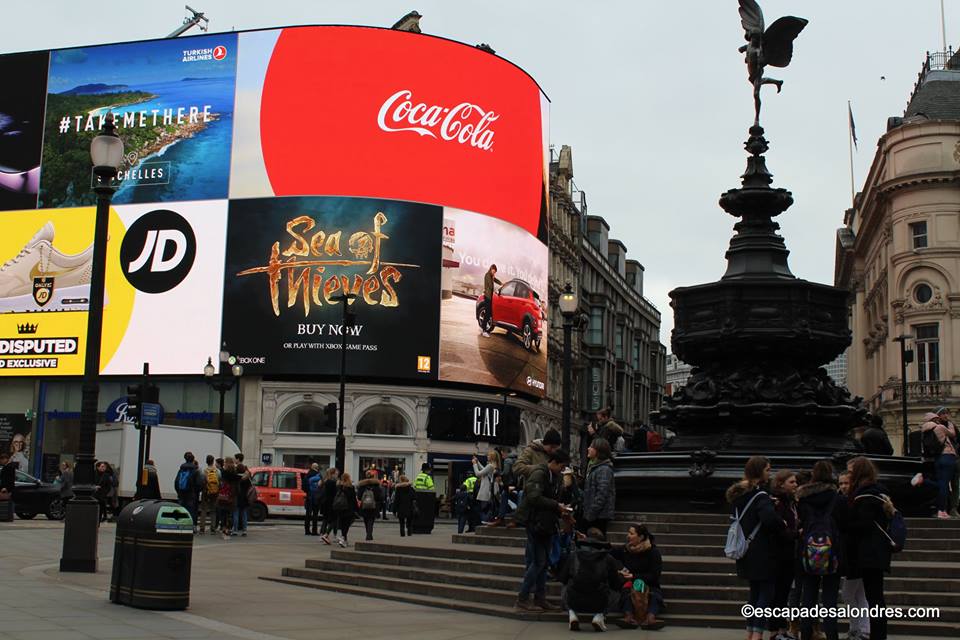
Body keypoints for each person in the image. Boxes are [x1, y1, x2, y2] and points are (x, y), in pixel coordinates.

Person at [726, 455, 785, 640]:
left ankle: (750, 631)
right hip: (763, 552)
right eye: (768, 470)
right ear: (760, 472)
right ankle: (758, 633)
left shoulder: (740, 495)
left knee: (754, 593)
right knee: (765, 594)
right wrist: (780, 521)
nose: (770, 473)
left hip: (746, 551)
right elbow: (768, 520)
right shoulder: (761, 496)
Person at [515, 448, 570, 612]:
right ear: (553, 462)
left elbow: (553, 498)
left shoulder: (556, 477)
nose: (563, 470)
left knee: (543, 563)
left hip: (546, 524)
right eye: (562, 466)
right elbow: (534, 497)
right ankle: (523, 598)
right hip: (535, 523)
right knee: (538, 562)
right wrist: (556, 506)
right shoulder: (539, 473)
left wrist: (561, 508)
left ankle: (540, 598)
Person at [796, 460, 847, 640]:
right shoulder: (838, 498)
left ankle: (806, 634)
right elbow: (843, 524)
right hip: (832, 551)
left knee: (808, 598)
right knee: (830, 600)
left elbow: (799, 523)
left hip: (808, 551)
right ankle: (832, 635)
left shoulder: (802, 498)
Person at [846, 456, 894, 640]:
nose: (849, 476)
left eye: (851, 472)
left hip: (869, 552)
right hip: (879, 550)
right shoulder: (880, 491)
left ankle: (878, 635)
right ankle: (878, 633)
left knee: (874, 597)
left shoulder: (864, 495)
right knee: (876, 597)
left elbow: (863, 524)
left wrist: (845, 524)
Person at [558, 527, 625, 632]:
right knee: (616, 592)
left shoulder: (574, 555)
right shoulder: (608, 558)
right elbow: (615, 584)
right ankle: (599, 616)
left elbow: (562, 578)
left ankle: (572, 613)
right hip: (599, 600)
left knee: (565, 585)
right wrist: (620, 576)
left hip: (574, 599)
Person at [610, 523, 666, 630]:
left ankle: (650, 618)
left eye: (631, 533)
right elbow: (610, 551)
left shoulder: (653, 552)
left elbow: (654, 575)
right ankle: (629, 617)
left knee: (654, 595)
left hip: (649, 584)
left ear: (640, 537)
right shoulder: (626, 549)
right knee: (625, 592)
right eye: (628, 533)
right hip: (631, 584)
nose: (628, 536)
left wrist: (634, 576)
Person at [838, 470, 870, 640]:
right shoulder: (850, 500)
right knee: (859, 594)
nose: (843, 486)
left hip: (854, 554)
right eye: (841, 483)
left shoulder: (852, 502)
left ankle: (857, 628)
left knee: (848, 594)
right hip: (855, 553)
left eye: (846, 483)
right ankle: (862, 628)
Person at [768, 469, 799, 640]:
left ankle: (781, 629)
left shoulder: (791, 503)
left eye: (795, 482)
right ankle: (775, 631)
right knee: (778, 594)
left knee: (784, 593)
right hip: (779, 555)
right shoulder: (778, 503)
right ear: (781, 484)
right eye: (792, 482)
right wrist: (796, 533)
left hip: (788, 554)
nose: (796, 485)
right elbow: (781, 530)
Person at [921, 410, 958, 519]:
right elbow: (952, 433)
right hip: (947, 456)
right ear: (934, 419)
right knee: (944, 485)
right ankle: (942, 511)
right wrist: (950, 424)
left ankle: (941, 510)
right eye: (937, 418)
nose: (939, 420)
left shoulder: (925, 430)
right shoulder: (940, 427)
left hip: (938, 458)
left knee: (941, 483)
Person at [581, 438, 615, 535]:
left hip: (598, 517)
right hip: (594, 515)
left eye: (591, 447)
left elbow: (602, 494)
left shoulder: (604, 469)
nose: (588, 448)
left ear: (598, 451)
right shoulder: (596, 468)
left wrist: (590, 514)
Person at [473, 450, 500, 524]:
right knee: (489, 506)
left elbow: (478, 474)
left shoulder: (490, 466)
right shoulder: (493, 465)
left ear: (492, 457)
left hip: (487, 489)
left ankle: (487, 520)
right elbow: (484, 470)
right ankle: (488, 519)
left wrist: (474, 464)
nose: (487, 456)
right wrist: (478, 462)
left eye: (488, 455)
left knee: (484, 507)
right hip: (490, 489)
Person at [218, 457, 241, 540]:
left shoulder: (223, 473)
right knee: (230, 514)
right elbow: (238, 488)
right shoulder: (236, 474)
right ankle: (228, 530)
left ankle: (224, 530)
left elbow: (220, 484)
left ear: (226, 463)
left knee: (223, 514)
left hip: (223, 496)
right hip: (232, 497)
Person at [333, 472, 358, 548]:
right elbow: (353, 499)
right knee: (347, 524)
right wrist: (356, 508)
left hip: (340, 507)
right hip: (348, 508)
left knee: (343, 523)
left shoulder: (339, 486)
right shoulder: (350, 487)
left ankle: (344, 538)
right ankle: (343, 537)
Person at [198, 455, 221, 535]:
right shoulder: (217, 471)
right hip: (215, 492)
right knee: (213, 510)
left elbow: (201, 481)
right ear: (213, 461)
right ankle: (213, 528)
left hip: (206, 492)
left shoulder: (204, 471)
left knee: (204, 510)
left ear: (206, 461)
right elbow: (220, 481)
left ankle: (202, 529)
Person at [358, 470, 383, 541]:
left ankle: (368, 533)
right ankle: (369, 534)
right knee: (371, 520)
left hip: (364, 506)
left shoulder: (362, 485)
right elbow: (379, 497)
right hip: (374, 506)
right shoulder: (376, 485)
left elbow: (359, 496)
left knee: (366, 519)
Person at [174, 452, 199, 524]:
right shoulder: (195, 470)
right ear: (193, 460)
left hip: (181, 493)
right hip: (191, 493)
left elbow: (176, 482)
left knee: (181, 509)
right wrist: (196, 491)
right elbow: (199, 483)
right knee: (191, 510)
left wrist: (178, 491)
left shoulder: (181, 469)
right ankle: (191, 525)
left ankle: (180, 523)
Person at [319, 467, 340, 544]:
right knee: (334, 519)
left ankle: (323, 535)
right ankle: (327, 535)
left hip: (325, 503)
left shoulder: (325, 481)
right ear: (332, 474)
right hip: (332, 503)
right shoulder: (333, 482)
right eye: (336, 474)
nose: (337, 475)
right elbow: (335, 494)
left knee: (326, 519)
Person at [480, 263, 502, 337]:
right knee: (487, 313)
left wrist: (501, 283)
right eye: (493, 271)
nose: (494, 272)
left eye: (495, 272)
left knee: (488, 313)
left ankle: (483, 328)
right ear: (491, 269)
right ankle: (484, 330)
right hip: (487, 297)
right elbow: (490, 285)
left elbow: (495, 280)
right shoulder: (487, 275)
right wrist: (496, 291)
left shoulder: (491, 276)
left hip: (489, 297)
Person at [234, 454, 251, 537]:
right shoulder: (247, 478)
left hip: (237, 497)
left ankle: (235, 530)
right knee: (244, 514)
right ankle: (244, 530)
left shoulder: (236, 477)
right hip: (245, 498)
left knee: (236, 513)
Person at [303, 463, 321, 536]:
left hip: (309, 496)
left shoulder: (307, 475)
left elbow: (303, 486)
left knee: (308, 514)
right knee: (315, 515)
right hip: (316, 497)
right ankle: (314, 530)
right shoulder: (318, 475)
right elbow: (320, 485)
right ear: (317, 467)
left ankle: (307, 530)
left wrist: (308, 492)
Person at [0, 452, 16, 516]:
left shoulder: (9, 467)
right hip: (7, 488)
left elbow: (9, 479)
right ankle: (8, 515)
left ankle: (8, 515)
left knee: (8, 502)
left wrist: (5, 487)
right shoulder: (7, 467)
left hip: (7, 488)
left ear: (5, 459)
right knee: (8, 502)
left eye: (1, 460)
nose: (0, 461)